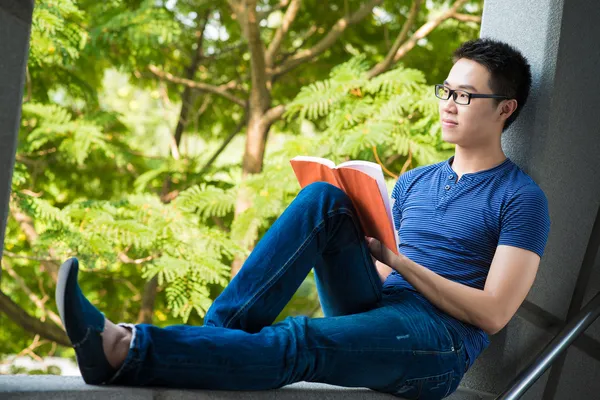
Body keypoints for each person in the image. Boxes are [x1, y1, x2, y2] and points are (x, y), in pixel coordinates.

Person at [55, 38, 550, 400]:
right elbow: (378, 275)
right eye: (446, 90)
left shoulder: (521, 198)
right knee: (321, 199)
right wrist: (375, 254)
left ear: (504, 109)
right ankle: (219, 338)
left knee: (301, 339)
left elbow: (491, 313)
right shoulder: (418, 180)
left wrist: (400, 263)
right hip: (381, 308)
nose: (448, 105)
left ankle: (125, 347)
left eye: (466, 96)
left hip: (437, 345)